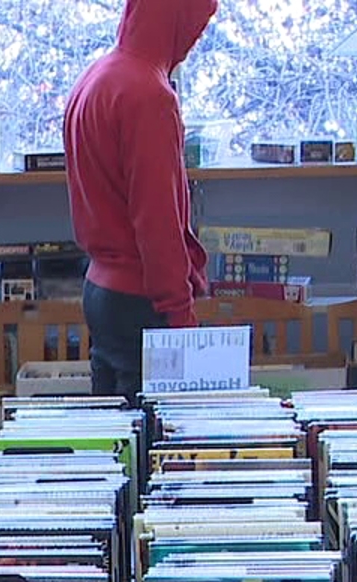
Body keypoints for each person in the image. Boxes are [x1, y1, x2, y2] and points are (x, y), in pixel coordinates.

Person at [64, 0, 218, 400]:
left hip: (100, 290)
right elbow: (157, 222)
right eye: (196, 25)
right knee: (156, 447)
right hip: (142, 299)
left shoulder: (96, 77)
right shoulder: (150, 96)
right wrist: (181, 315)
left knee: (116, 442)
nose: (194, 39)